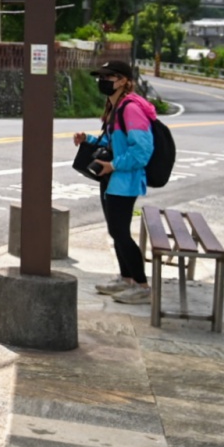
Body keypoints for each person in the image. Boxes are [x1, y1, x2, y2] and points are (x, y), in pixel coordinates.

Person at [73, 60, 155, 304]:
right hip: (112, 178)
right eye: (100, 76)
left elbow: (142, 150)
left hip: (124, 179)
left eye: (108, 77)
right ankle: (126, 278)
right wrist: (87, 138)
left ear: (123, 81)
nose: (102, 81)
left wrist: (114, 165)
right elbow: (110, 141)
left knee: (120, 231)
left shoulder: (130, 109)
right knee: (115, 231)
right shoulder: (116, 107)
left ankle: (141, 286)